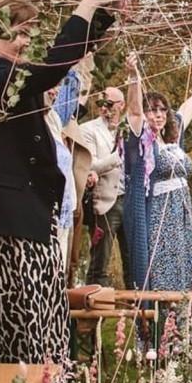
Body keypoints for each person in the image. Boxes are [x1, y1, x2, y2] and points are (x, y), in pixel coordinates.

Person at [0, 0, 119, 366]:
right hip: (8, 220)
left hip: (34, 215)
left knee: (49, 316)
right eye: (21, 33)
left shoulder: (9, 73)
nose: (27, 42)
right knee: (24, 323)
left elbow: (61, 64)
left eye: (31, 33)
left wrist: (103, 13)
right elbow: (53, 68)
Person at [122, 57, 192, 323]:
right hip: (159, 214)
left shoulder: (172, 137)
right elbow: (134, 111)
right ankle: (159, 329)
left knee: (184, 266)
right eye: (152, 110)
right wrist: (134, 77)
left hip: (180, 213)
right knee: (161, 269)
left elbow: (185, 111)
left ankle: (182, 328)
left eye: (161, 110)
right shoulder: (140, 141)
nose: (157, 115)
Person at [81, 86, 129, 287]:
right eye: (101, 104)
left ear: (121, 105)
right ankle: (93, 312)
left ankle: (138, 313)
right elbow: (91, 164)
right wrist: (120, 154)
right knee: (100, 261)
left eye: (109, 104)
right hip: (105, 202)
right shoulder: (88, 129)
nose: (104, 109)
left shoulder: (131, 128)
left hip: (131, 201)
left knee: (133, 258)